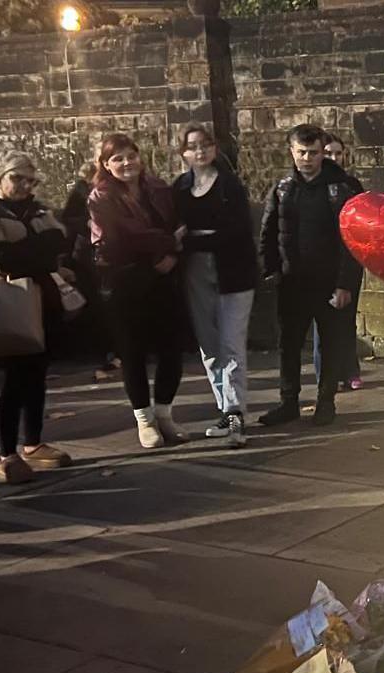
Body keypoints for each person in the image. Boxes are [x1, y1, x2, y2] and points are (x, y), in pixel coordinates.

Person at [0, 150, 77, 484]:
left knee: (37, 374)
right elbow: (1, 257)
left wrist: (34, 252)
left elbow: (60, 241)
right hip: (9, 301)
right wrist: (39, 249)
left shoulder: (39, 209)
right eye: (17, 178)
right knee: (15, 378)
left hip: (44, 299)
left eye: (30, 180)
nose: (24, 186)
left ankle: (33, 442)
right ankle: (6, 452)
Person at [258, 123, 364, 427]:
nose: (307, 158)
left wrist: (345, 284)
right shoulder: (282, 188)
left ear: (322, 152)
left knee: (331, 344)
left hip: (329, 282)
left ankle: (326, 402)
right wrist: (271, 271)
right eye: (301, 152)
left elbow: (354, 241)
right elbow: (268, 231)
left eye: (313, 152)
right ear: (291, 151)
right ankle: (288, 402)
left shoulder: (343, 187)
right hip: (292, 282)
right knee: (288, 345)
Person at [88, 132, 188, 449]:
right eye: (117, 159)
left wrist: (171, 253)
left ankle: (165, 415)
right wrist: (165, 244)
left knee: (171, 350)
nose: (126, 163)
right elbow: (116, 240)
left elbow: (180, 225)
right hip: (125, 282)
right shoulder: (100, 197)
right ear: (105, 165)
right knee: (133, 354)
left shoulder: (159, 189)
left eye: (130, 155)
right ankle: (145, 421)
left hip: (164, 278)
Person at [174, 124, 257, 449]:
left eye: (206, 144)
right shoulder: (179, 187)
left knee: (231, 343)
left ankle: (236, 410)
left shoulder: (230, 186)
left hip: (233, 272)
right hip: (196, 273)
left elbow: (236, 231)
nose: (200, 151)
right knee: (209, 347)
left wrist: (194, 238)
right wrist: (194, 239)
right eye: (193, 146)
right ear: (184, 153)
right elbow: (175, 229)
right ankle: (224, 409)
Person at [315, 132, 364, 392]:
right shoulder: (312, 185)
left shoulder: (351, 184)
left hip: (350, 259)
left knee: (347, 320)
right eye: (328, 153)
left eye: (338, 153)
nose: (334, 158)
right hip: (323, 262)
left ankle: (350, 370)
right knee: (323, 323)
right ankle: (326, 374)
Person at [60, 161, 114, 379]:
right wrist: (90, 223)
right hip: (88, 253)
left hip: (114, 250)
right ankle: (103, 349)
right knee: (96, 301)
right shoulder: (81, 190)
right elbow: (69, 220)